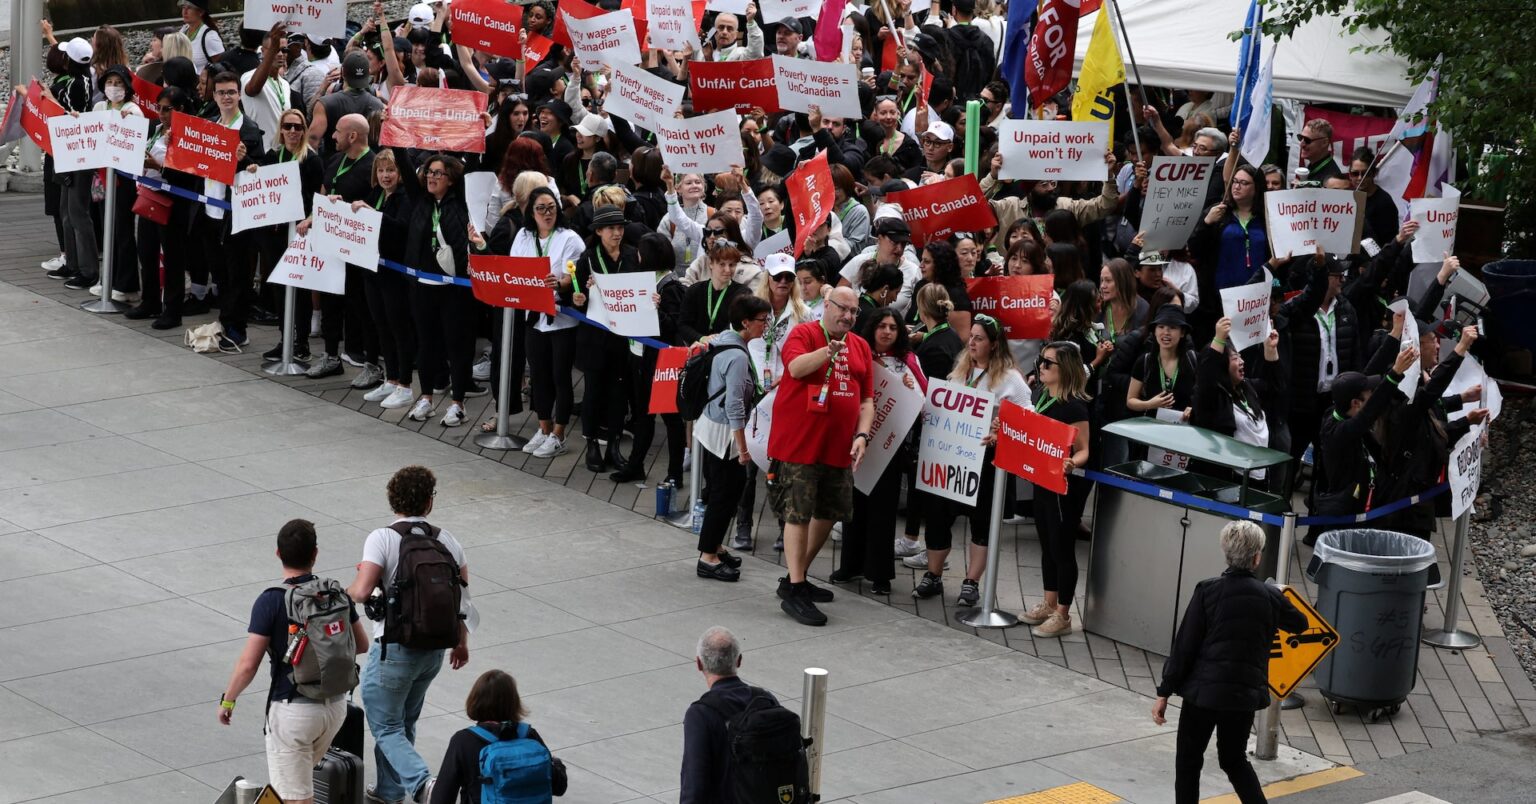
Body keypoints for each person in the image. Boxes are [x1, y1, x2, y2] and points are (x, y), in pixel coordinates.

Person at [1153, 521, 1308, 804]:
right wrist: (1279, 594)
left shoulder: (1207, 591)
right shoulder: (1270, 597)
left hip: (1203, 695)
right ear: (1257, 557)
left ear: (1226, 553)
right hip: (1243, 695)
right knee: (1234, 760)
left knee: (1188, 761)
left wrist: (1165, 690)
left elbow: (1184, 646)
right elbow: (1300, 623)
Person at [217, 519, 368, 804]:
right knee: (294, 787)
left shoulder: (271, 600)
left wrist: (229, 700)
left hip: (293, 712)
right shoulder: (335, 595)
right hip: (334, 708)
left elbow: (249, 664)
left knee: (295, 798)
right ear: (315, 554)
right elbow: (361, 645)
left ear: (278, 553)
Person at [347, 466, 471, 804]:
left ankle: (422, 785)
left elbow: (361, 592)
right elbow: (462, 599)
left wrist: (348, 587)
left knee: (386, 726)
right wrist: (461, 642)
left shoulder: (382, 538)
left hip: (394, 649)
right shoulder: (448, 540)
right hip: (433, 651)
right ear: (429, 502)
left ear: (393, 499)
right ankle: (389, 791)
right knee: (403, 723)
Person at [768, 287, 876, 626]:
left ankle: (794, 578)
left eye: (854, 312)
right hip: (800, 445)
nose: (848, 316)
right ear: (826, 306)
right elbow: (796, 368)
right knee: (797, 514)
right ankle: (796, 586)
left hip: (838, 447)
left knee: (830, 512)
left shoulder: (860, 346)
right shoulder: (804, 333)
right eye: (842, 309)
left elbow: (867, 401)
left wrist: (862, 435)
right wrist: (826, 354)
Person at [914, 315, 1031, 606]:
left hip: (986, 463)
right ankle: (933, 575)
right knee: (939, 515)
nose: (972, 343)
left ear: (994, 344)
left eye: (979, 338)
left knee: (982, 522)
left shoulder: (1010, 379)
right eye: (972, 337)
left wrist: (1001, 428)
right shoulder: (960, 371)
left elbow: (1028, 417)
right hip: (951, 459)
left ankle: (971, 582)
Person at [833, 307, 926, 595]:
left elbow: (924, 405)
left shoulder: (908, 361)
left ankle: (880, 574)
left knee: (883, 511)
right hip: (857, 443)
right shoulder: (857, 355)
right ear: (872, 328)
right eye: (882, 326)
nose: (886, 331)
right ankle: (851, 565)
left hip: (890, 446)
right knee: (853, 507)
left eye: (893, 327)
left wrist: (911, 388)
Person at [696, 295, 772, 582]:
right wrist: (743, 449)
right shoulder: (739, 356)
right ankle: (708, 557)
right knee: (724, 496)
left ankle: (713, 545)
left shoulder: (723, 340)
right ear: (746, 322)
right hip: (725, 435)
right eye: (762, 320)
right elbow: (735, 407)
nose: (765, 326)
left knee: (718, 489)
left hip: (709, 427)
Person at [1023, 341, 1092, 638]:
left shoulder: (1074, 404)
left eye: (1049, 363)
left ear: (1066, 369)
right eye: (1042, 360)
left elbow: (1084, 450)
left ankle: (1063, 614)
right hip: (1042, 479)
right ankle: (1049, 603)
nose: (1041, 366)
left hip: (1065, 485)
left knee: (1061, 546)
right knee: (1046, 541)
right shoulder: (1040, 396)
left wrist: (1070, 463)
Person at [429, 670, 567, 804]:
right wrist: (558, 764)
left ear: (474, 700)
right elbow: (559, 787)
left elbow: (441, 798)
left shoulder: (463, 741)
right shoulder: (529, 735)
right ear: (514, 702)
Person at [681, 627, 775, 803]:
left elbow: (694, 784)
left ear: (699, 664)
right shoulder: (765, 699)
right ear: (739, 661)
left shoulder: (701, 714)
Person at [1126, 304, 1197, 422]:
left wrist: (1193, 409)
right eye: (1161, 326)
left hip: (1186, 431)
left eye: (1173, 327)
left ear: (1182, 333)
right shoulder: (1144, 361)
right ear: (1154, 331)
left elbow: (1207, 398)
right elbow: (1131, 400)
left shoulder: (1193, 360)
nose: (1166, 332)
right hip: (1152, 431)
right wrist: (1149, 404)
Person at [1296, 118, 1342, 184]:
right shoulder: (1313, 166)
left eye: (1307, 140)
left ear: (1324, 143)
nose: (1301, 144)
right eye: (1300, 138)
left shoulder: (1331, 180)